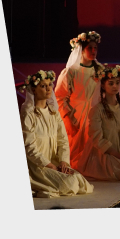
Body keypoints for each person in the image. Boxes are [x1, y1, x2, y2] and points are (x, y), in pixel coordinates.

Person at [21, 70, 94, 198]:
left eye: (49, 85)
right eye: (43, 86)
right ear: (34, 90)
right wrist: (49, 165)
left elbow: (62, 139)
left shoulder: (54, 112)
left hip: (54, 162)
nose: (48, 89)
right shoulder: (28, 113)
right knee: (70, 184)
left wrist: (63, 162)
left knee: (79, 180)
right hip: (38, 165)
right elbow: (29, 146)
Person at [54, 31, 103, 167]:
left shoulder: (100, 70)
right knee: (75, 150)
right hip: (76, 115)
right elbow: (60, 97)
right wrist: (68, 119)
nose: (93, 51)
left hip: (95, 115)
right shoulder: (71, 71)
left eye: (95, 48)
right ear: (81, 50)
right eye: (89, 48)